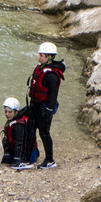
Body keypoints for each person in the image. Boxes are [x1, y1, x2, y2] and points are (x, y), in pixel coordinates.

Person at [27, 41, 66, 169]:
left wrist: (48, 110)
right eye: (39, 55)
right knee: (30, 129)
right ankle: (27, 158)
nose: (39, 57)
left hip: (44, 107)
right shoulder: (40, 68)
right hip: (35, 105)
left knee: (44, 133)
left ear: (49, 57)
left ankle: (50, 160)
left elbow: (53, 95)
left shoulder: (51, 75)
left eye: (41, 55)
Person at [1, 96, 35, 169]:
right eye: (6, 111)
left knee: (0, 158)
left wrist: (17, 160)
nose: (7, 114)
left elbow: (19, 143)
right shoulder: (12, 120)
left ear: (16, 112)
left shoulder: (18, 125)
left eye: (10, 112)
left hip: (28, 155)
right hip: (18, 151)